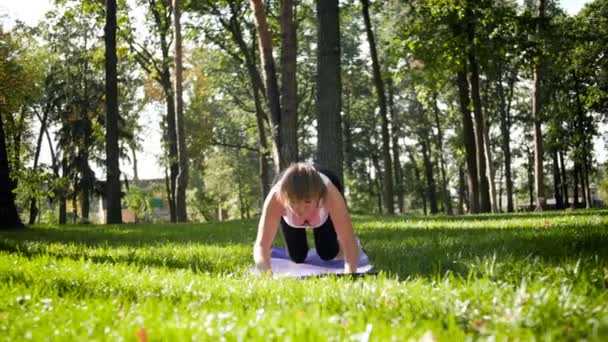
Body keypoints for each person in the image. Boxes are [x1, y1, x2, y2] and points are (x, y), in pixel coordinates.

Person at [253, 162, 360, 274]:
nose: (300, 209)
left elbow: (348, 239)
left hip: (321, 190)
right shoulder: (276, 197)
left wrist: (350, 274)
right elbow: (261, 244)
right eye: (294, 202)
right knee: (297, 257)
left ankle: (334, 246)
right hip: (290, 188)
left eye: (307, 202)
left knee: (328, 253)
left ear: (320, 197)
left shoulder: (330, 194)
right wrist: (267, 275)